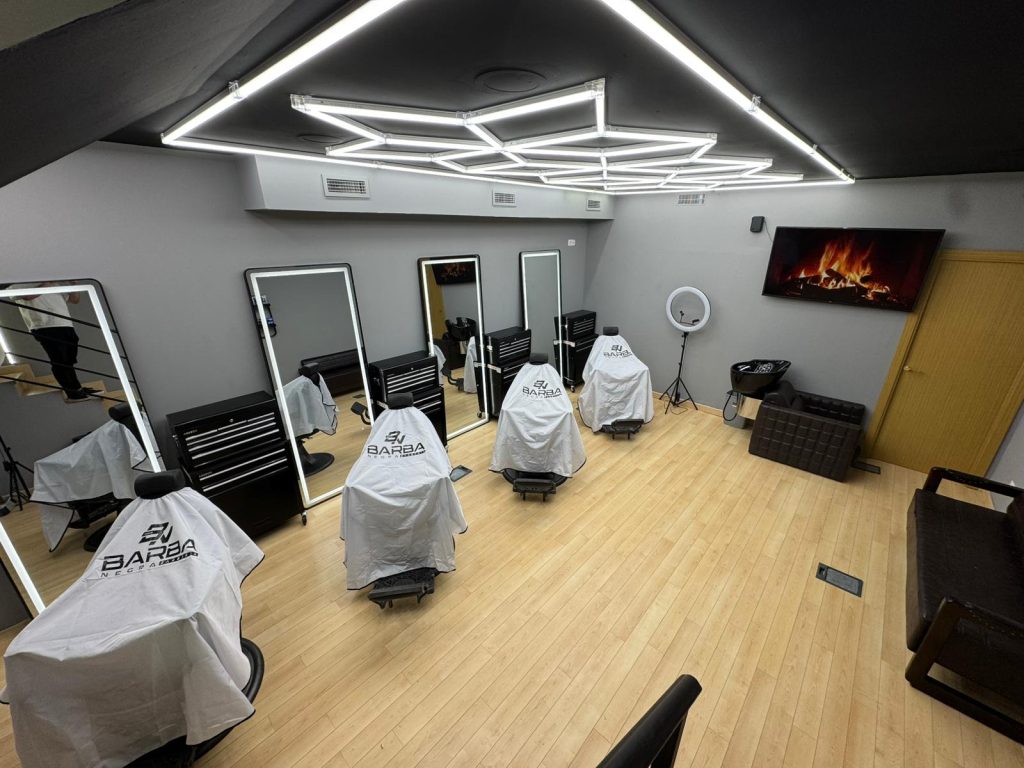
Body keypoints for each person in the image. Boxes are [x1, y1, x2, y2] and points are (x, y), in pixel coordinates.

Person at [16, 284, 96, 401]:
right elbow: (27, 296)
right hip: (45, 325)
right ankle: (72, 394)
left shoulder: (52, 280)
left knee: (68, 361)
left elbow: (74, 300)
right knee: (60, 361)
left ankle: (77, 389)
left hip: (65, 323)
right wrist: (48, 283)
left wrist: (74, 284)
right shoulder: (17, 282)